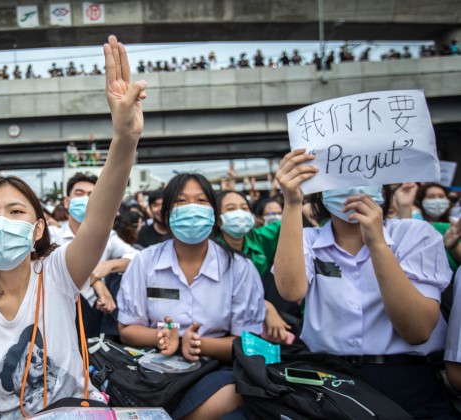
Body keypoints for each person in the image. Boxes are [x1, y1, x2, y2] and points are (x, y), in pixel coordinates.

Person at [0, 35, 147, 418]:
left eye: (16, 212)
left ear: (37, 230)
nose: (1, 221)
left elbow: (99, 219)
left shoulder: (57, 273)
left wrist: (125, 139)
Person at [273, 149, 456, 418]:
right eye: (339, 175)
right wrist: (291, 203)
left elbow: (417, 330)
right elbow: (291, 289)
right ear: (321, 190)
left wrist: (377, 244)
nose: (352, 184)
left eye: (365, 173)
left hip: (406, 380)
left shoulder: (415, 235)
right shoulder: (309, 240)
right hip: (331, 382)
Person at [117, 173, 265, 419]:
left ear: (214, 214)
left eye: (201, 201)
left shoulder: (239, 268)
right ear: (166, 214)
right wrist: (162, 338)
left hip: (215, 370)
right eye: (182, 202)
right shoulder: (145, 262)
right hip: (154, 369)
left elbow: (248, 342)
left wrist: (197, 344)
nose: (192, 209)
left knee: (235, 395)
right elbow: (127, 329)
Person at [49, 172, 139, 338]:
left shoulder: (108, 237)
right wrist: (95, 280)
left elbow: (137, 257)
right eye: (79, 193)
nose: (86, 199)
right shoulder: (53, 235)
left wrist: (107, 266)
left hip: (93, 316)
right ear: (67, 202)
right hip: (54, 312)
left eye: (92, 195)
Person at [215, 191, 294, 341]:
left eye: (244, 208)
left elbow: (290, 223)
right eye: (231, 209)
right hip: (226, 328)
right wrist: (265, 307)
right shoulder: (209, 251)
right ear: (218, 220)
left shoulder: (259, 239)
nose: (239, 213)